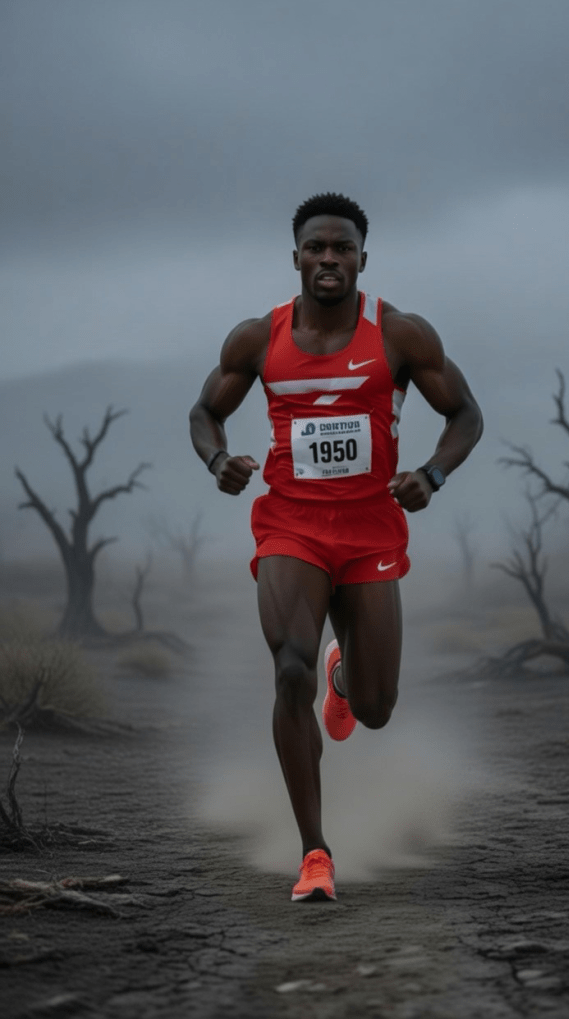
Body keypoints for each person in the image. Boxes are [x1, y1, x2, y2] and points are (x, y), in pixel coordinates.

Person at [189, 192, 483, 901]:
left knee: (377, 707)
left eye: (341, 248)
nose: (328, 259)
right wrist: (214, 459)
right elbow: (205, 412)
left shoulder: (400, 336)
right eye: (316, 248)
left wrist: (434, 473)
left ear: (361, 258)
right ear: (295, 257)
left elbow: (465, 415)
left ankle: (345, 674)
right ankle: (315, 854)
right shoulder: (258, 339)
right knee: (289, 672)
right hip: (289, 525)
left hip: (369, 530)